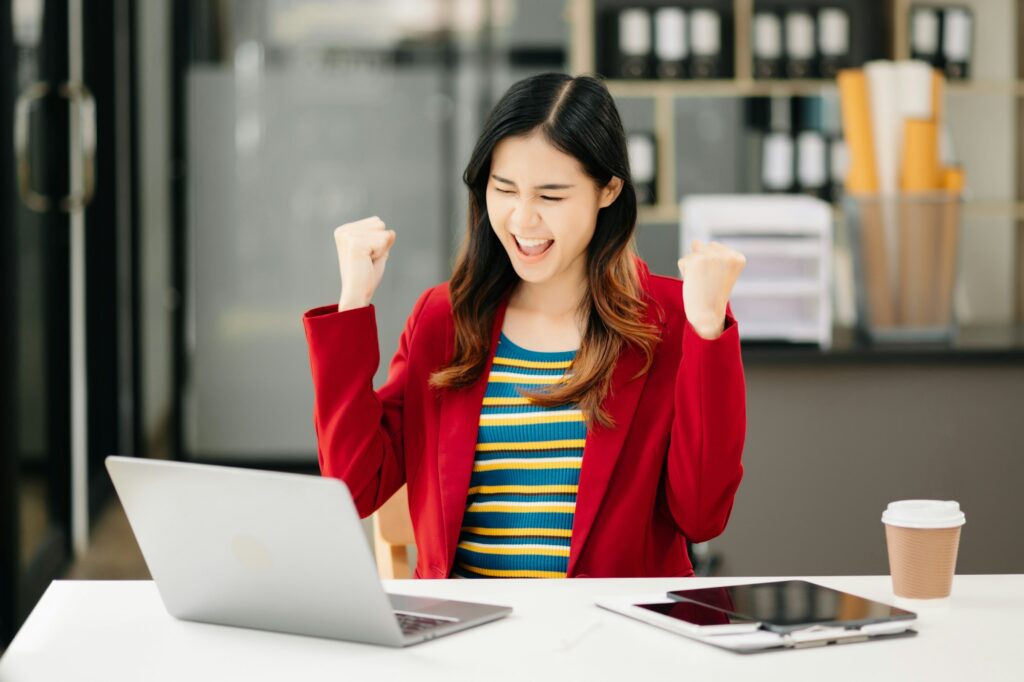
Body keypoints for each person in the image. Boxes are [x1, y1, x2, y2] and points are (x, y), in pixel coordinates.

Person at [303, 73, 746, 579]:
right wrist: (353, 303)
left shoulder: (670, 318)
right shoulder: (444, 320)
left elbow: (703, 515)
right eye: (504, 189)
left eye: (551, 197)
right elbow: (354, 487)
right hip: (468, 643)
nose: (522, 219)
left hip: (617, 643)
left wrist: (708, 331)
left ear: (608, 191)